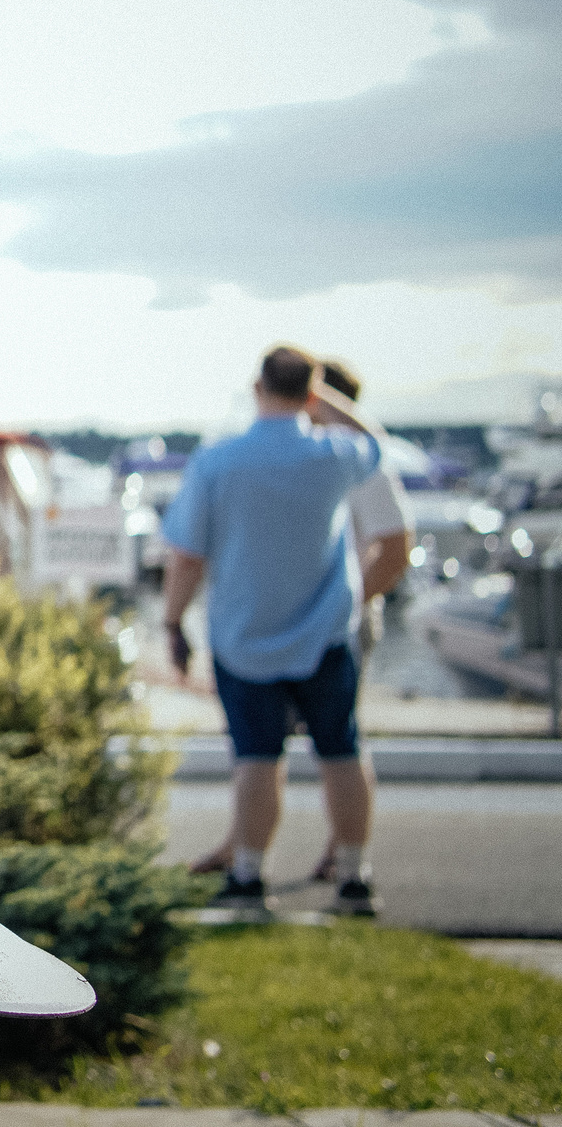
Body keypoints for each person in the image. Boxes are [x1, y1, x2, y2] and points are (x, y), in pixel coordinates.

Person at [160, 344, 385, 916]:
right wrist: (324, 398)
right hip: (325, 636)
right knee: (341, 752)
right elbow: (375, 441)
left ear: (257, 388)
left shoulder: (217, 462)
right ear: (311, 396)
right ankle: (354, 876)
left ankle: (249, 875)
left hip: (243, 637)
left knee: (256, 759)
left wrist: (172, 623)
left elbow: (186, 558)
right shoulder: (336, 454)